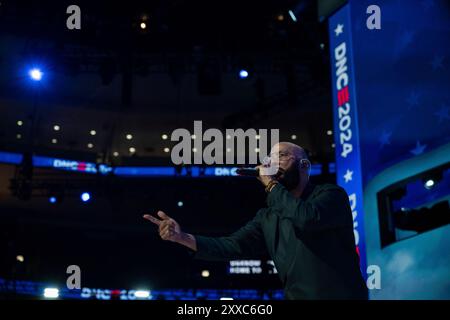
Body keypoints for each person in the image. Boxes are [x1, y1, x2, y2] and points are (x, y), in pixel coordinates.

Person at [143, 142, 368, 300]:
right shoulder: (268, 216)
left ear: (304, 166)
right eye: (269, 159)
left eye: (281, 156)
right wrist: (181, 237)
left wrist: (271, 185)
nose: (271, 163)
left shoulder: (330, 195)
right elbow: (231, 246)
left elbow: (306, 218)